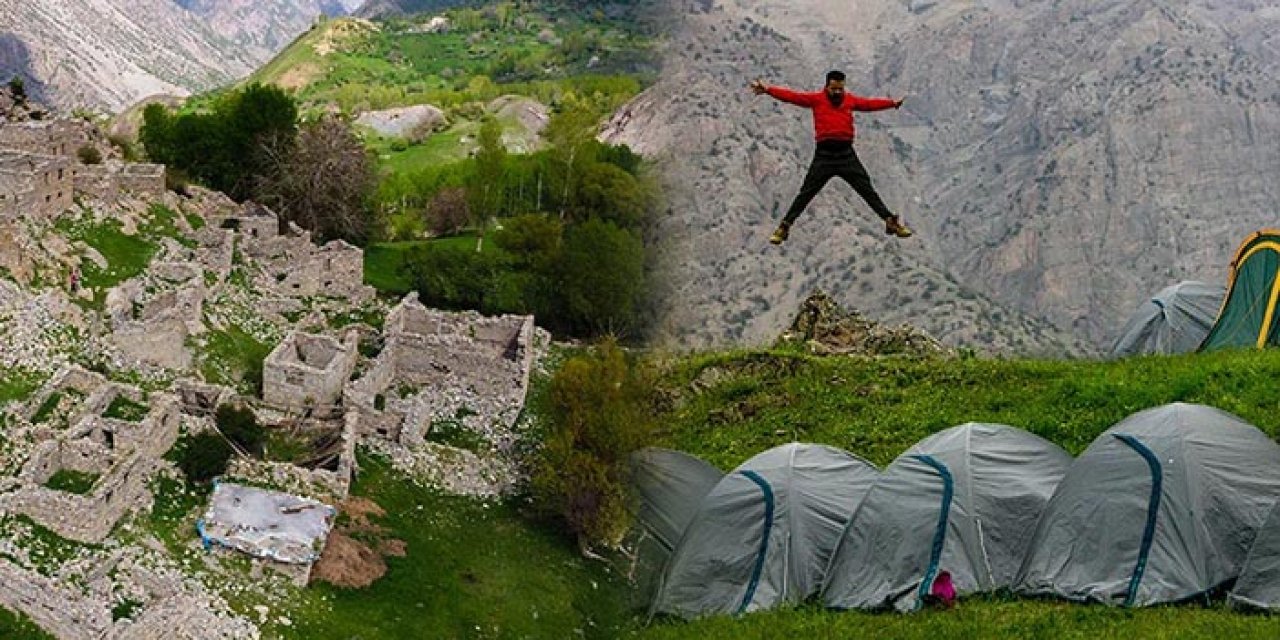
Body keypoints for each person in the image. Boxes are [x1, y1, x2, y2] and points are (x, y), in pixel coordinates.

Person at [751, 70, 912, 244]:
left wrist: (892, 104)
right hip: (824, 156)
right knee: (806, 192)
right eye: (834, 89)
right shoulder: (816, 100)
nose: (837, 92)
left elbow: (868, 105)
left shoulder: (849, 100)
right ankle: (784, 227)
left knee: (866, 189)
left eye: (840, 89)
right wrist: (768, 90)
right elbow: (792, 97)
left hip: (846, 154)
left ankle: (889, 221)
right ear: (827, 86)